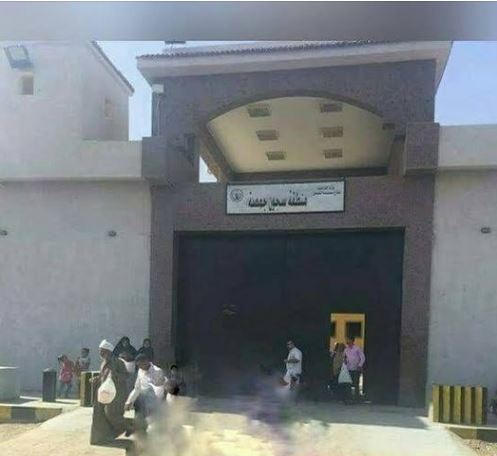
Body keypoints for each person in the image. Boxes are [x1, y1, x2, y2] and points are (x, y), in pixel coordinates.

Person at [90, 339, 129, 445]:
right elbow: (103, 377)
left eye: (102, 351)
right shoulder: (103, 363)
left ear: (108, 351)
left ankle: (130, 426)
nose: (100, 353)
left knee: (111, 414)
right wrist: (96, 379)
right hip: (105, 394)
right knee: (102, 414)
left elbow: (126, 376)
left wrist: (115, 375)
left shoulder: (118, 362)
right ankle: (104, 437)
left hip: (117, 395)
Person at [124, 353, 165, 434]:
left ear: (146, 362)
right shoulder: (140, 371)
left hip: (154, 401)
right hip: (143, 400)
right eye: (138, 366)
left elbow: (159, 390)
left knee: (154, 424)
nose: (140, 367)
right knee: (133, 411)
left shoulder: (157, 371)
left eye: (141, 365)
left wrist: (155, 405)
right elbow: (137, 388)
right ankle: (136, 431)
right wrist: (129, 401)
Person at [344, 336, 365, 400]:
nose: (347, 341)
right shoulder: (346, 349)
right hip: (349, 368)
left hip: (356, 368)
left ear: (352, 340)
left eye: (348, 339)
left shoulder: (357, 348)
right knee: (348, 383)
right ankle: (349, 397)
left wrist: (360, 365)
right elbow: (345, 358)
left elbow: (362, 357)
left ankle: (357, 397)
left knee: (356, 383)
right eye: (346, 340)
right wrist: (345, 362)